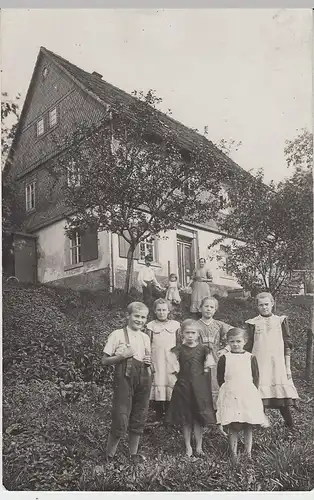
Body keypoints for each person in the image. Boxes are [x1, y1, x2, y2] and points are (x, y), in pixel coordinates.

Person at [101, 302, 151, 463]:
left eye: (143, 317)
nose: (140, 320)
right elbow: (104, 360)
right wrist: (122, 356)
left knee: (139, 415)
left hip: (143, 379)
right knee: (121, 416)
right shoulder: (117, 334)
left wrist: (148, 362)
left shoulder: (145, 337)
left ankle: (133, 455)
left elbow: (146, 360)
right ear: (128, 316)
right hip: (124, 379)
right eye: (137, 316)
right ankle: (109, 456)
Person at [245, 292, 299, 428]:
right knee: (259, 392)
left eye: (266, 304)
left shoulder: (280, 320)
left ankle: (290, 425)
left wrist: (287, 365)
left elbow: (287, 342)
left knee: (281, 393)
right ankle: (260, 424)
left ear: (272, 304)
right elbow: (248, 344)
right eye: (261, 305)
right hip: (260, 362)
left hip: (277, 363)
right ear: (257, 306)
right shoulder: (253, 323)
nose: (264, 307)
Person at [216, 328, 267, 465]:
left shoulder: (250, 357)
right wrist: (228, 389)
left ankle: (248, 453)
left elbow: (256, 377)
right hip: (231, 393)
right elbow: (220, 377)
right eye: (232, 341)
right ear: (227, 342)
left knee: (248, 423)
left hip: (247, 394)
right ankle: (233, 453)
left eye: (238, 341)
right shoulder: (224, 358)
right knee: (233, 424)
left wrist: (251, 392)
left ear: (245, 342)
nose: (235, 344)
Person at [166, 319, 216, 457]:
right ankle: (188, 447)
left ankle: (199, 447)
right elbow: (172, 366)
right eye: (187, 333)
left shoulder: (204, 349)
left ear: (198, 334)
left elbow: (208, 367)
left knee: (198, 417)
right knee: (186, 418)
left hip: (199, 388)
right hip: (184, 387)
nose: (190, 336)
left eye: (193, 333)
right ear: (182, 334)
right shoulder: (178, 350)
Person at [146, 298, 181, 421]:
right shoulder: (151, 326)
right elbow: (147, 344)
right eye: (159, 310)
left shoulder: (175, 325)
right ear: (155, 311)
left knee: (170, 383)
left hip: (170, 360)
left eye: (164, 310)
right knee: (158, 382)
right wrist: (148, 361)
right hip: (157, 359)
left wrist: (178, 359)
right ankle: (158, 413)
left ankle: (170, 414)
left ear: (169, 310)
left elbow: (179, 343)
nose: (161, 312)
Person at [196, 296, 233, 409]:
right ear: (200, 308)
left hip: (215, 358)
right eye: (206, 306)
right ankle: (200, 410)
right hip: (198, 359)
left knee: (214, 382)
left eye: (212, 307)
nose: (208, 309)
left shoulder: (219, 325)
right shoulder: (195, 325)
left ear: (215, 309)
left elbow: (236, 334)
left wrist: (225, 349)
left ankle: (216, 411)